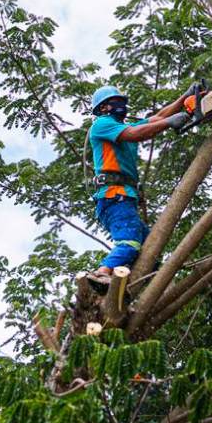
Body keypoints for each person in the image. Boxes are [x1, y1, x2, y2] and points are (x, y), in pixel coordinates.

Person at [87, 86, 190, 284]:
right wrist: (169, 123)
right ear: (102, 108)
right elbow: (137, 133)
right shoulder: (102, 124)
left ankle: (133, 284)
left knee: (150, 248)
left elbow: (157, 117)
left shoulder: (122, 127)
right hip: (114, 196)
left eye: (121, 101)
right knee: (130, 241)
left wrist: (185, 98)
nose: (121, 106)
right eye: (114, 102)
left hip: (124, 196)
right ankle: (102, 272)